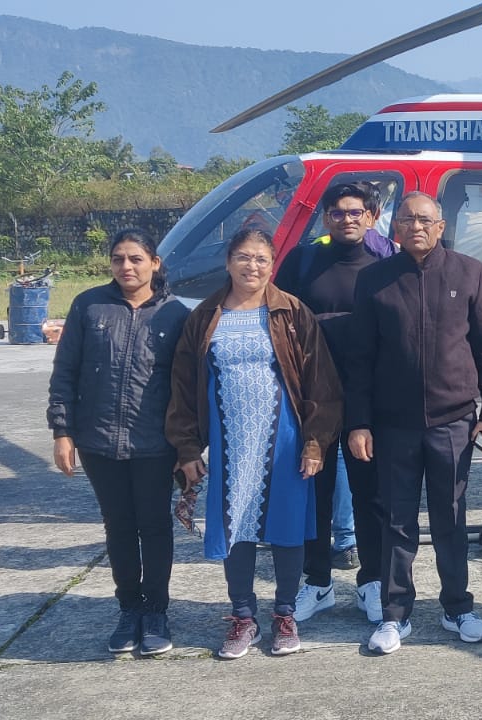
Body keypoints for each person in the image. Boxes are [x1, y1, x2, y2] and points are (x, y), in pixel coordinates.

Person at [166, 228, 343, 659]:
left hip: (284, 438)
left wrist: (315, 443)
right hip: (230, 442)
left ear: (272, 263)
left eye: (261, 259)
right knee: (235, 528)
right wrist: (188, 450)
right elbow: (183, 388)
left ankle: (284, 614)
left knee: (287, 529)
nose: (252, 267)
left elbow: (321, 382)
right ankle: (243, 617)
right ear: (228, 262)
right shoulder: (205, 316)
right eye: (244, 258)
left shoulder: (291, 312)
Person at [345, 191, 482, 655]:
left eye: (425, 219)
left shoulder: (469, 273)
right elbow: (360, 359)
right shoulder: (375, 279)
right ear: (394, 229)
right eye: (407, 219)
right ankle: (395, 615)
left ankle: (458, 608)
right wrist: (359, 422)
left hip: (454, 420)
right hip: (393, 424)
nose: (416, 226)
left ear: (440, 227)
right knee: (397, 521)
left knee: (451, 519)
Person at [47, 228, 190, 656]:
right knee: (119, 527)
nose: (126, 267)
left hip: (154, 444)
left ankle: (157, 612)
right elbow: (65, 372)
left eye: (135, 259)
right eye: (118, 259)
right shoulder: (89, 306)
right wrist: (62, 431)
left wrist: (187, 448)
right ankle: (129, 609)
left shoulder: (176, 314)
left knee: (156, 526)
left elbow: (187, 387)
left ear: (155, 264)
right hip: (98, 441)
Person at [274, 183, 395, 626]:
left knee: (371, 495)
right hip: (313, 399)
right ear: (326, 218)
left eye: (356, 212)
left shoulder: (387, 264)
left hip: (370, 399)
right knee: (315, 494)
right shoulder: (303, 261)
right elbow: (279, 320)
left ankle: (372, 582)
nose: (347, 219)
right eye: (338, 213)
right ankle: (317, 581)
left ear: (372, 215)